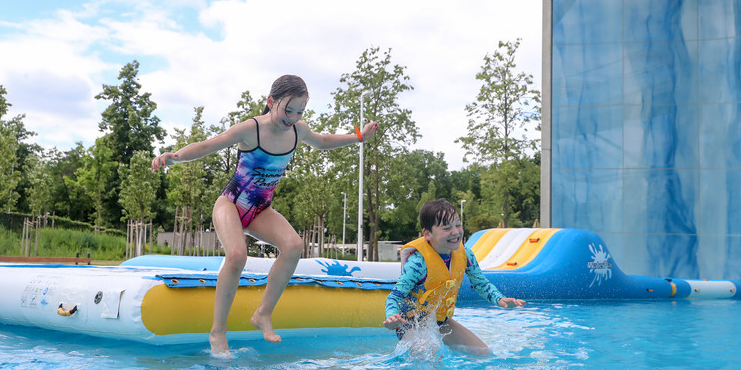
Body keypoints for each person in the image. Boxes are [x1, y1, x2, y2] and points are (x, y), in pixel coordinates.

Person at [151, 75, 379, 356]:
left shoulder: (298, 130)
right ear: (271, 102)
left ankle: (263, 314)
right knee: (236, 256)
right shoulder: (251, 129)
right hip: (231, 203)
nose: (293, 117)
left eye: (300, 111)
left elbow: (322, 141)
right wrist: (176, 156)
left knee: (294, 246)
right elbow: (210, 144)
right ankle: (217, 332)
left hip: (261, 209)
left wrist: (358, 137)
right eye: (288, 109)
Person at [382, 199, 526, 356]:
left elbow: (481, 283)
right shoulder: (418, 264)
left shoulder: (466, 254)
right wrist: (392, 318)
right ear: (427, 234)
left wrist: (499, 299)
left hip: (440, 321)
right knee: (430, 355)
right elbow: (394, 298)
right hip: (410, 323)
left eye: (458, 225)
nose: (456, 232)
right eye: (446, 228)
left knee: (483, 353)